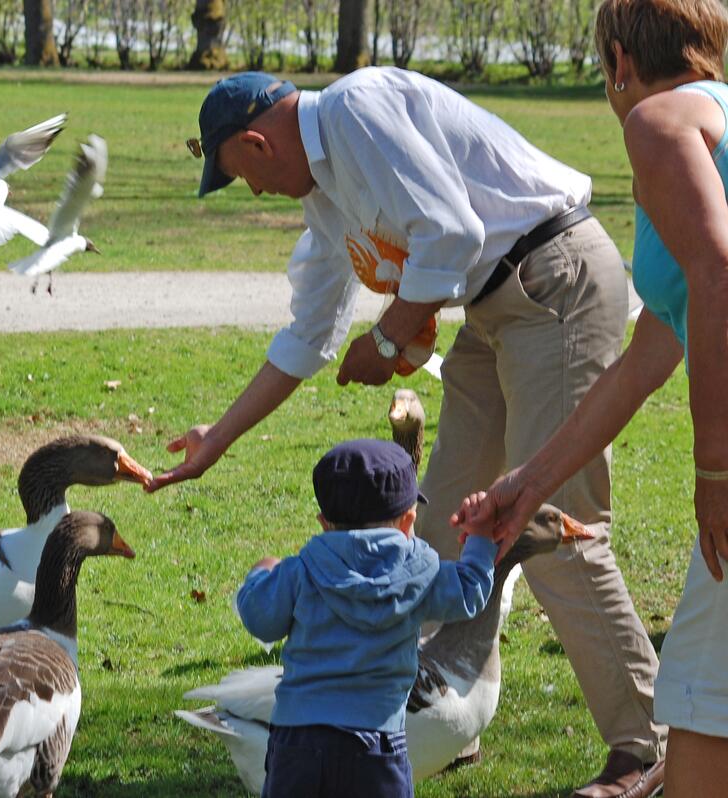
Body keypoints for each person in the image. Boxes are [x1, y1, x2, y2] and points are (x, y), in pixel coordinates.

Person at [148, 68, 667, 795]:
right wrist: (219, 439)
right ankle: (434, 721)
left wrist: (390, 340)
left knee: (549, 524)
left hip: (555, 282)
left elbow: (454, 232)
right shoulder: (328, 198)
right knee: (437, 530)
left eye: (241, 177)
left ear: (256, 143)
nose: (256, 194)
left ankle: (647, 749)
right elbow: (310, 333)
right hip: (496, 308)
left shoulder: (357, 110)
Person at [451, 2, 728, 797]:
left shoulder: (656, 122)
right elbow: (647, 355)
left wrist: (715, 471)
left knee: (703, 714)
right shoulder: (713, 124)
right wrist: (524, 487)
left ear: (616, 59)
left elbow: (718, 273)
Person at [237, 439, 497, 798]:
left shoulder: (299, 573)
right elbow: (470, 594)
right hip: (378, 745)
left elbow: (259, 618)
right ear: (409, 520)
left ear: (325, 523)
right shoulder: (422, 576)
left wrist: (259, 576)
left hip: (299, 743)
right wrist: (481, 540)